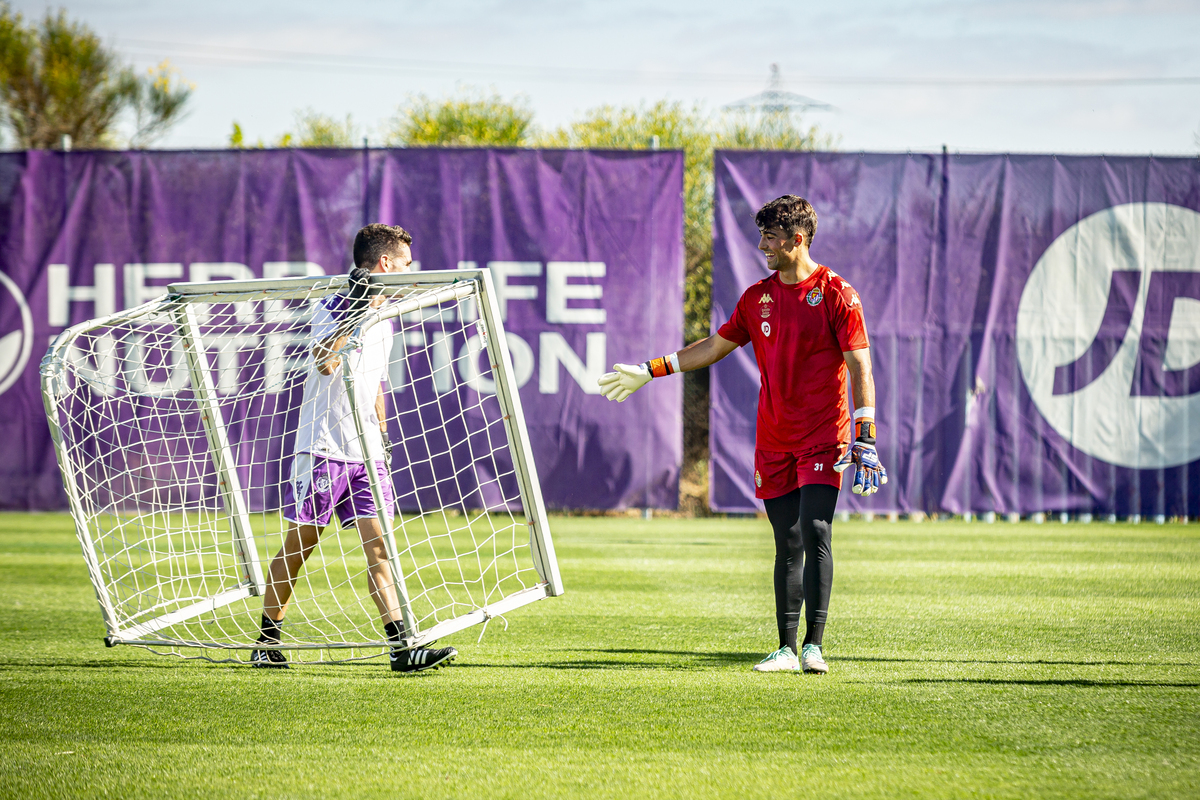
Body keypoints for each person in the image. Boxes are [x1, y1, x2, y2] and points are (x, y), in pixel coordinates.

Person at [598, 195, 886, 675]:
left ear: (797, 239)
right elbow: (714, 346)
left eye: (770, 238)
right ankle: (785, 649)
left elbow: (860, 363)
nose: (762, 246)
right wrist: (650, 370)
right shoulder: (758, 298)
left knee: (816, 531)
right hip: (774, 438)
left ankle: (815, 646)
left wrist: (866, 433)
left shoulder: (838, 293)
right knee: (786, 540)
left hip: (825, 435)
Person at [251, 223, 457, 673]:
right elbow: (326, 361)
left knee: (381, 548)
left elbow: (377, 379)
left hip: (366, 453)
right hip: (323, 448)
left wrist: (381, 436)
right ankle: (266, 640)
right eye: (403, 263)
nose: (407, 271)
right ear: (384, 263)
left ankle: (403, 648)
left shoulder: (387, 313)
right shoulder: (332, 305)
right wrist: (359, 310)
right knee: (300, 545)